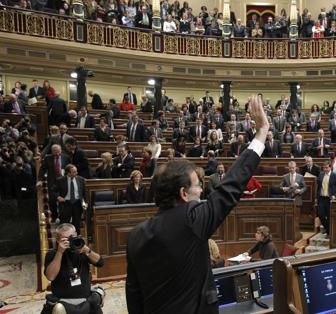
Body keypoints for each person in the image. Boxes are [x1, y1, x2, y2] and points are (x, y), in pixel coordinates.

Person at [125, 95, 269, 313]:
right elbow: (232, 185)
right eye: (197, 186)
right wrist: (261, 133)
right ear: (184, 193)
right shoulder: (192, 218)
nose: (202, 190)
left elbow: (133, 294)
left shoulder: (136, 234)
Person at [42, 223, 104, 314]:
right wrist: (60, 252)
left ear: (76, 235)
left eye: (72, 237)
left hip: (85, 300)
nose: (70, 241)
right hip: (62, 303)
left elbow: (100, 263)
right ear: (58, 240)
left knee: (97, 296)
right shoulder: (52, 254)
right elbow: (50, 276)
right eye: (65, 239)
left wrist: (87, 250)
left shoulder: (81, 250)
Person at [55, 165, 87, 232]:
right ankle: (64, 240)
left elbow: (84, 193)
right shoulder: (60, 180)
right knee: (64, 224)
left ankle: (76, 240)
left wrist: (85, 203)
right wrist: (58, 197)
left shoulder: (81, 179)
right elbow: (54, 191)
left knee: (77, 224)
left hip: (77, 204)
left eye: (76, 171)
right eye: (74, 172)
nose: (76, 173)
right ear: (68, 173)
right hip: (66, 203)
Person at [316, 161, 336, 236]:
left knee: (329, 216)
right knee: (320, 214)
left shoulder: (335, 176)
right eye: (324, 168)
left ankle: (329, 231)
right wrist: (316, 197)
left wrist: (335, 196)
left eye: (327, 167)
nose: (325, 169)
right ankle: (328, 229)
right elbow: (318, 187)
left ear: (330, 167)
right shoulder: (321, 175)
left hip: (330, 199)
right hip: (321, 198)